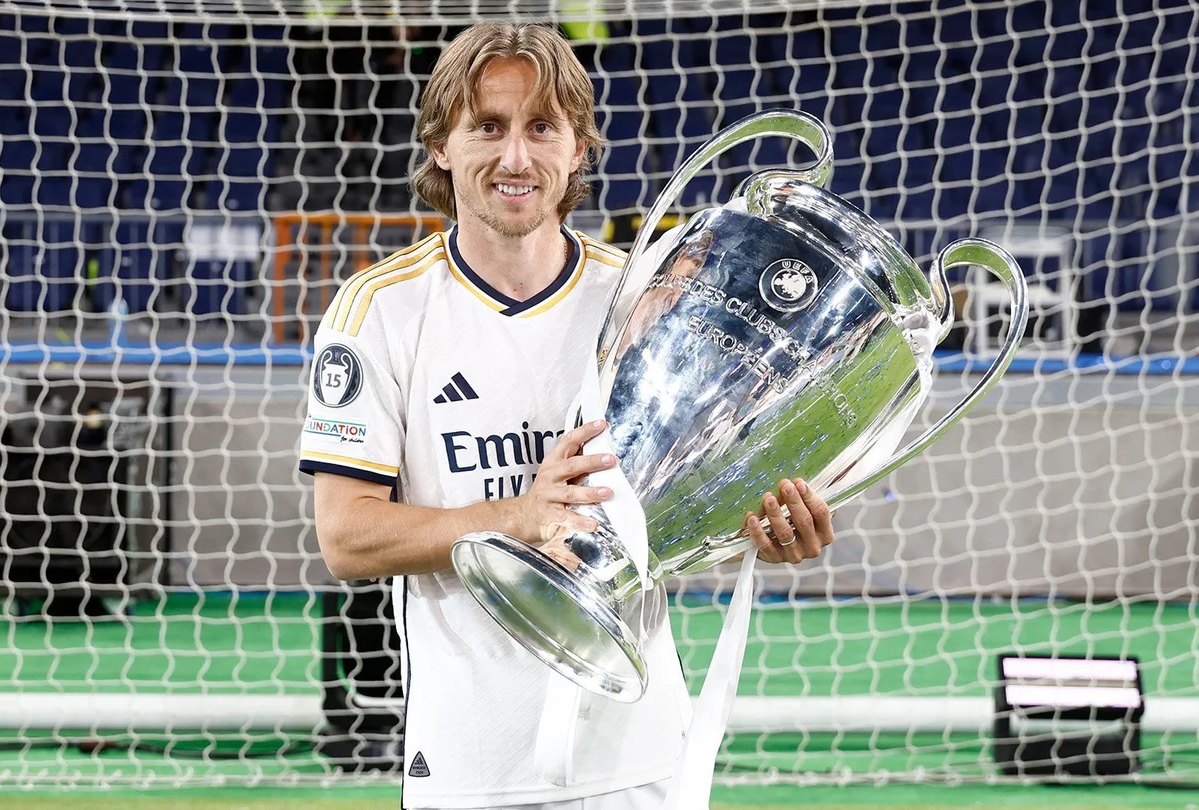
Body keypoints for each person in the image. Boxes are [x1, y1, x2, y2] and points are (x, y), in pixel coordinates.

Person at [299, 22, 835, 809]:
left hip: (637, 759)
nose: (516, 158)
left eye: (543, 127)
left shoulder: (650, 299)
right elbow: (346, 537)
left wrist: (758, 531)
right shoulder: (381, 309)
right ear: (440, 145)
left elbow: (665, 520)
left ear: (579, 148)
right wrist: (518, 516)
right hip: (471, 766)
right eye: (488, 127)